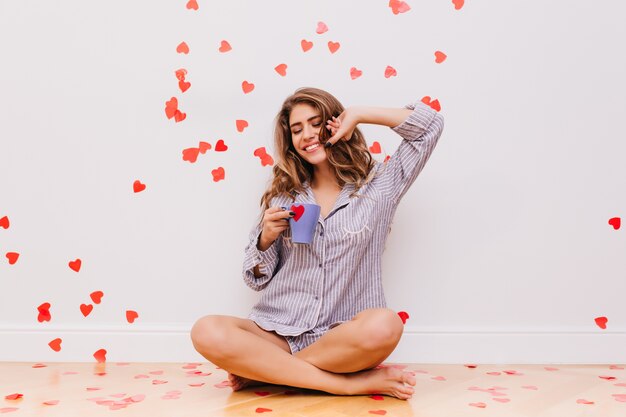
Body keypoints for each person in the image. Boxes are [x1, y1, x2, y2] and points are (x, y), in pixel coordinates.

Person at [191, 87, 444, 400]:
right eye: (297, 130)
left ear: (335, 123)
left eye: (315, 123)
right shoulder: (285, 195)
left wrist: (360, 113)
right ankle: (346, 384)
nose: (307, 135)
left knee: (386, 325)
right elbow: (254, 278)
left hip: (341, 337)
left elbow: (430, 126)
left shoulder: (380, 185)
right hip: (278, 332)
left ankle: (268, 372)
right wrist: (265, 239)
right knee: (206, 330)